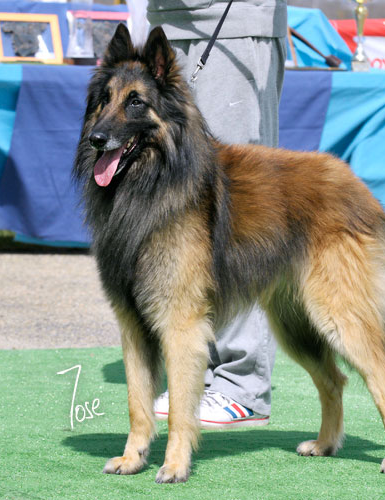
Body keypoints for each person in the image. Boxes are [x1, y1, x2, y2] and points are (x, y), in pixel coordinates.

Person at [145, 0, 288, 428]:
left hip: (232, 25)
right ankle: (198, 376)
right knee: (184, 214)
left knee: (238, 207)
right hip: (168, 21)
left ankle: (243, 385)